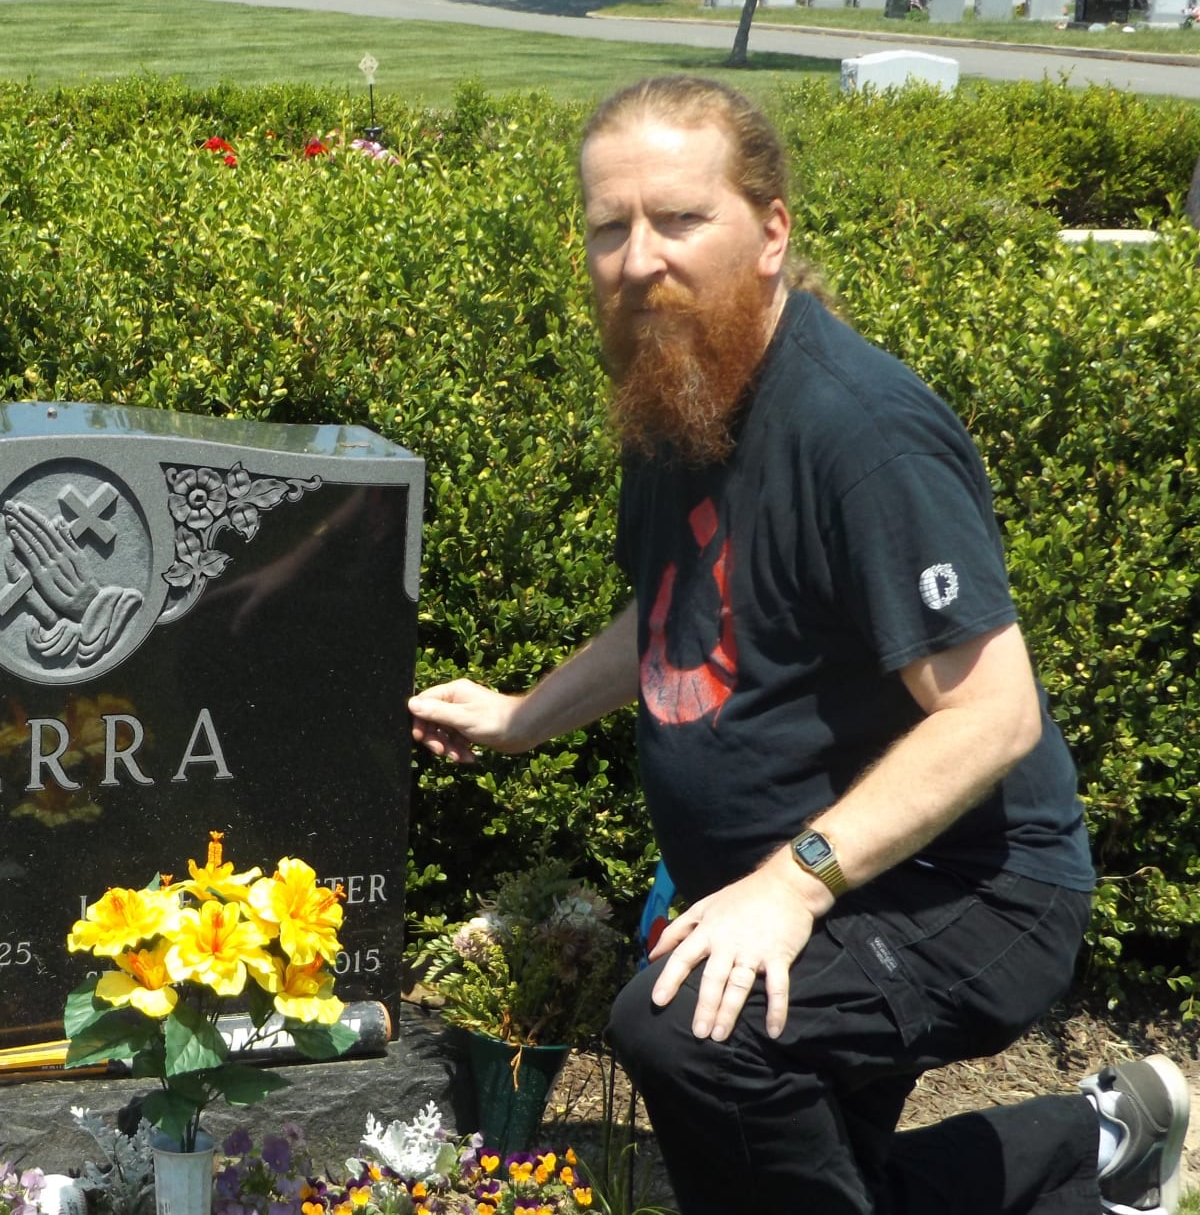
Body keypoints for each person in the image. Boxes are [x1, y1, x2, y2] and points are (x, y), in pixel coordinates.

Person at [407, 76, 1191, 1215]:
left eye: (680, 219)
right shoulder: (680, 389)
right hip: (824, 885)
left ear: (772, 230)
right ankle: (1107, 1146)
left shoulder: (858, 429)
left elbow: (994, 712)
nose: (638, 259)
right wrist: (524, 717)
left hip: (969, 886)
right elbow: (679, 614)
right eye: (609, 227)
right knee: (820, 1175)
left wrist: (792, 884)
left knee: (690, 1035)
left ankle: (1101, 1145)